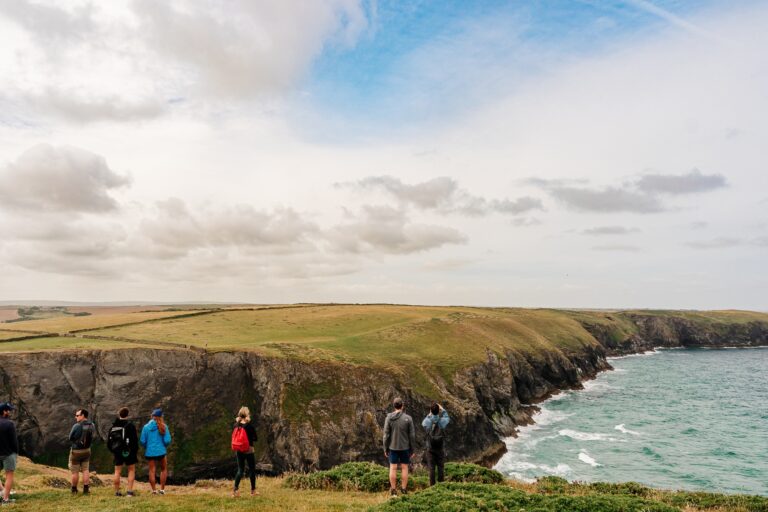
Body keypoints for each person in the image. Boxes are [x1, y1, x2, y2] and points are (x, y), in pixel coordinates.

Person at [382, 397, 416, 496]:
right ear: (402, 406)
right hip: (405, 448)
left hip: (392, 448)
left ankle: (393, 490)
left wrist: (385, 448)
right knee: (405, 468)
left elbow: (386, 435)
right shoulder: (408, 418)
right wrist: (412, 449)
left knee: (393, 468)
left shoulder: (388, 418)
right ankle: (404, 489)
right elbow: (412, 435)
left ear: (394, 406)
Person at [140, 408, 171, 495]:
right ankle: (162, 490)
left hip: (150, 452)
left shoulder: (146, 427)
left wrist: (148, 447)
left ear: (152, 416)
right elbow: (167, 440)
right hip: (161, 452)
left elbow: (142, 441)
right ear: (161, 417)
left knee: (152, 471)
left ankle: (154, 490)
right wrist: (163, 446)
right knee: (163, 469)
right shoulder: (164, 426)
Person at [109, 407, 139, 497]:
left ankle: (117, 492)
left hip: (117, 452)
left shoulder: (113, 426)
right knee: (131, 470)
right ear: (127, 414)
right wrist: (134, 451)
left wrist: (114, 450)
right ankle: (129, 492)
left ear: (119, 415)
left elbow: (109, 442)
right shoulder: (130, 426)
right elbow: (134, 440)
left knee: (117, 471)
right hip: (129, 451)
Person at [231, 406, 258, 497]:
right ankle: (253, 491)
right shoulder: (249, 426)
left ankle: (235, 491)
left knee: (240, 470)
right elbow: (255, 438)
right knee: (252, 470)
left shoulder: (236, 425)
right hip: (249, 450)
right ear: (247, 414)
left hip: (239, 450)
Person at [421, 402, 450, 486]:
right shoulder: (442, 421)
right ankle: (441, 485)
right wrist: (442, 409)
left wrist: (429, 415)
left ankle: (432, 486)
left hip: (430, 448)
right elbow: (447, 417)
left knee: (432, 468)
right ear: (438, 411)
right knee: (441, 467)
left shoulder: (427, 421)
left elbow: (423, 423)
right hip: (440, 448)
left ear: (431, 410)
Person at [69, 408, 95, 495]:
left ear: (83, 415)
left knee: (75, 472)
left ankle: (74, 490)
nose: (75, 417)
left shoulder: (76, 426)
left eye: (77, 415)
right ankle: (86, 490)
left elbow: (70, 437)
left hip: (76, 451)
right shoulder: (92, 425)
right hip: (87, 450)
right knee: (86, 470)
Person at [0, 403, 18, 505]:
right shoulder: (9, 424)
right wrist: (16, 452)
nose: (9, 412)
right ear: (4, 412)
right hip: (8, 454)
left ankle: (2, 491)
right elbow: (14, 441)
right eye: (8, 410)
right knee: (9, 475)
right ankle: (5, 500)